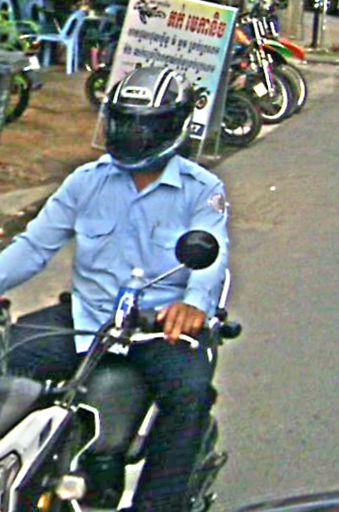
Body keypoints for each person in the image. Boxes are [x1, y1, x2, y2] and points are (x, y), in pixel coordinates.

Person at [0, 66, 230, 511]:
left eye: (146, 126)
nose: (133, 135)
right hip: (86, 319)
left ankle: (159, 504)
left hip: (159, 330)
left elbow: (211, 255)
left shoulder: (201, 190)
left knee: (190, 393)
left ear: (174, 125)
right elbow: (33, 247)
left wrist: (193, 305)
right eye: (125, 123)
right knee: (7, 355)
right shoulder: (86, 181)